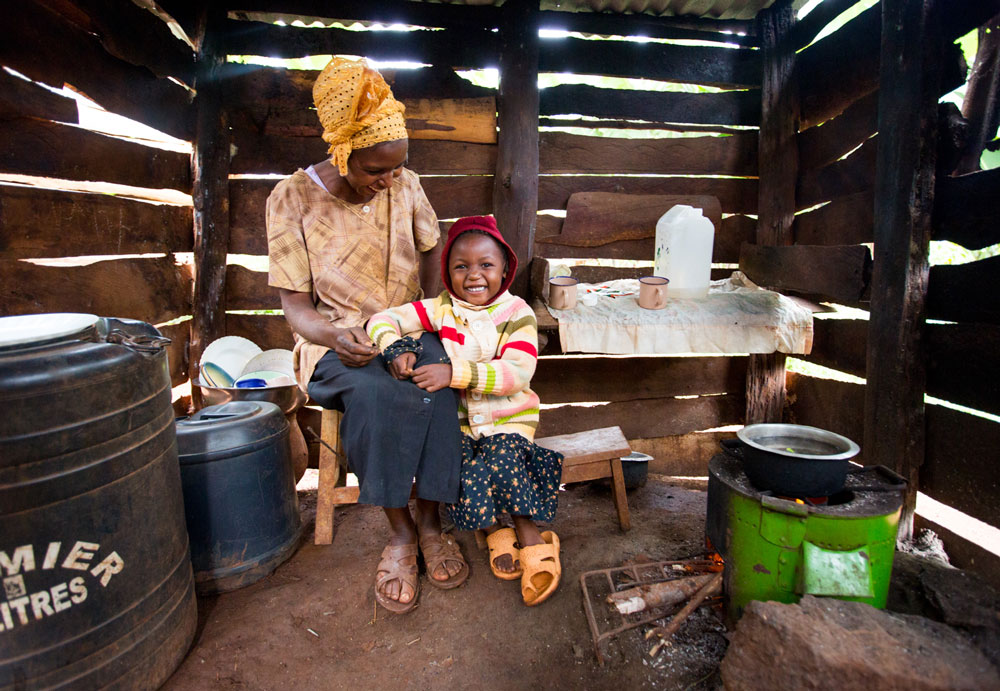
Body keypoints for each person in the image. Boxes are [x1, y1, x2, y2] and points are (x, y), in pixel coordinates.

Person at [265, 56, 468, 615]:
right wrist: (333, 335)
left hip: (408, 327)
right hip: (337, 343)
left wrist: (426, 315)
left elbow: (432, 248)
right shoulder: (291, 198)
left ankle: (431, 523)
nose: (390, 181)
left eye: (398, 167)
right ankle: (401, 534)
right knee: (378, 394)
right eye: (377, 170)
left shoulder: (405, 185)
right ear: (341, 154)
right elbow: (295, 309)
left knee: (439, 383)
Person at [366, 216, 564, 606]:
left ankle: (527, 531)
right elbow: (382, 319)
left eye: (486, 265)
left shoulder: (516, 313)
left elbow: (518, 372)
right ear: (447, 271)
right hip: (462, 427)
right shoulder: (441, 309)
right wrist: (395, 347)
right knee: (463, 469)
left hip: (508, 419)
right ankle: (493, 530)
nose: (474, 276)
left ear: (505, 269)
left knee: (504, 458)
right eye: (461, 266)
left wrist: (453, 372)